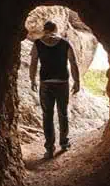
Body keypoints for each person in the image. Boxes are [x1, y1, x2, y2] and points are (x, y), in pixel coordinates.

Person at [29, 21, 81, 158]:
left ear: (44, 30)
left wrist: (32, 79)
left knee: (47, 116)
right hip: (62, 82)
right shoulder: (65, 43)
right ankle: (64, 143)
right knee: (63, 113)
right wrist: (77, 81)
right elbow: (73, 62)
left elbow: (33, 62)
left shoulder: (37, 44)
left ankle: (49, 149)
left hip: (45, 83)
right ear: (56, 29)